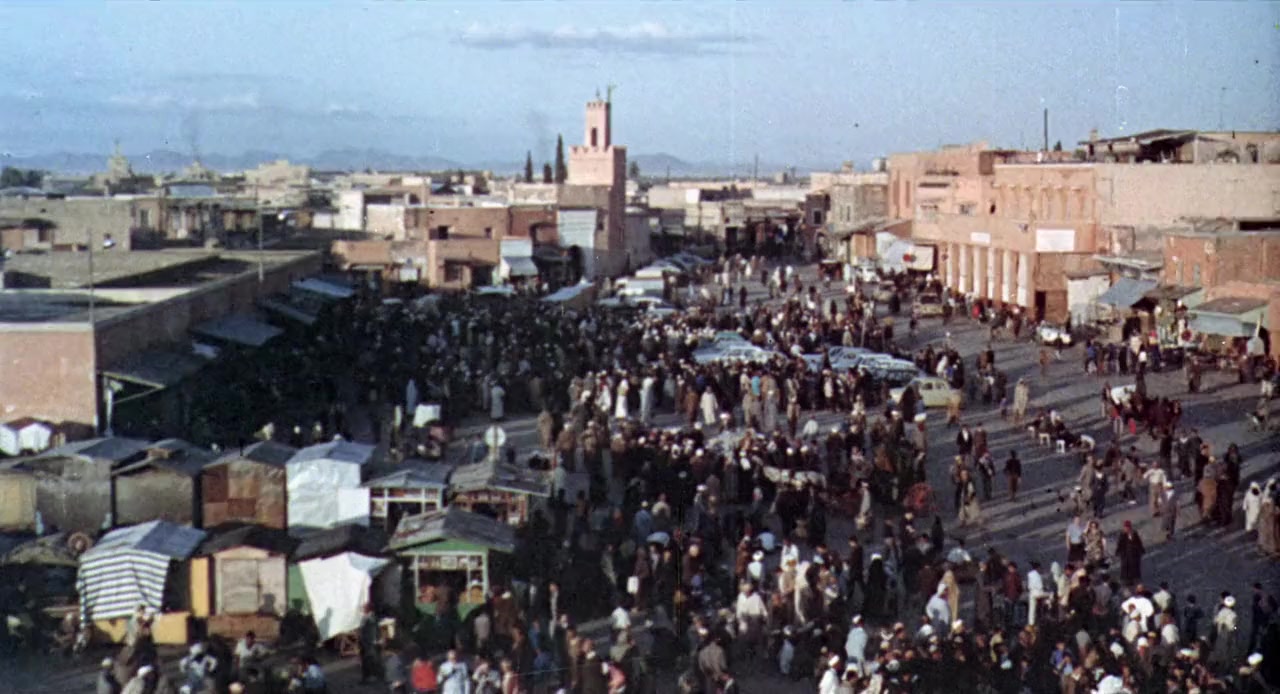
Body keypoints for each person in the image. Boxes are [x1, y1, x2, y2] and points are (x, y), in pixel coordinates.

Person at [358, 603, 382, 684]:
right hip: (365, 643)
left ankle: (369, 677)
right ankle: (367, 677)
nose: (362, 610)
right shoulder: (366, 617)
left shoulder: (371, 618)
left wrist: (373, 641)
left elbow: (372, 631)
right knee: (366, 660)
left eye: (364, 608)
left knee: (369, 660)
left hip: (368, 644)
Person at [1115, 521, 1145, 585]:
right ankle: (1127, 580)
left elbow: (1138, 542)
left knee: (1134, 566)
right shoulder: (1122, 534)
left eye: (1128, 527)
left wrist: (1141, 550)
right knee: (1126, 567)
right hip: (1126, 554)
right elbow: (1120, 543)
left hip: (1134, 553)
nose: (1127, 529)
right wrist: (1118, 551)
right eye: (1126, 527)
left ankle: (1134, 578)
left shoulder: (1134, 533)